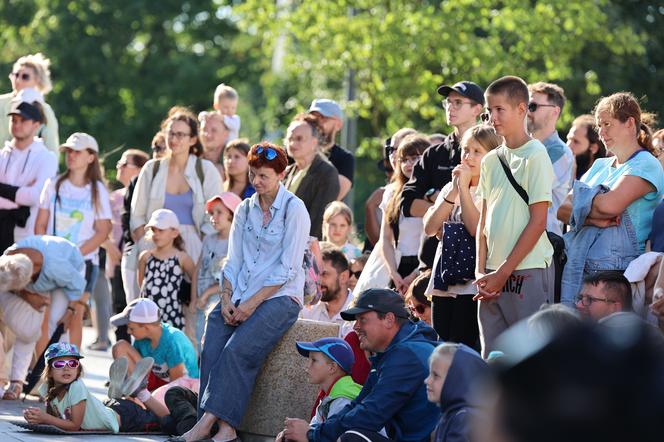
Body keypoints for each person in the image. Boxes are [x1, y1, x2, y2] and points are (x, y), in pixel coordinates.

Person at [180, 142, 309, 442]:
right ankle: (224, 429)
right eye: (253, 174)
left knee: (237, 350)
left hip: (280, 297)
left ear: (282, 174)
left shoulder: (295, 209)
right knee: (212, 343)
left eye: (264, 176)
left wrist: (251, 304)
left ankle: (204, 424)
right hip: (240, 293)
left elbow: (287, 269)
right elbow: (233, 260)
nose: (257, 181)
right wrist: (226, 299)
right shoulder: (245, 208)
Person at [475, 76, 555, 358]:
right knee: (492, 359)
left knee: (529, 360)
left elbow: (538, 221)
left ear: (521, 109)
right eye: (489, 110)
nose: (493, 117)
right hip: (491, 276)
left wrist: (503, 272)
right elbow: (483, 223)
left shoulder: (536, 155)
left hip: (527, 269)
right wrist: (480, 271)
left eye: (500, 110)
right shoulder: (490, 160)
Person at [558, 92, 664, 306]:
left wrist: (583, 208)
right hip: (580, 269)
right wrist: (593, 219)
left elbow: (610, 206)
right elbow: (561, 208)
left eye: (607, 124)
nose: (601, 132)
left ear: (629, 123)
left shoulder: (646, 164)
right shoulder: (600, 165)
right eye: (599, 125)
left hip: (615, 278)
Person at [292, 288, 439, 442]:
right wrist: (314, 431)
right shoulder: (392, 352)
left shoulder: (408, 354)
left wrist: (312, 435)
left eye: (362, 319)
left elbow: (370, 415)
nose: (356, 326)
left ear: (389, 319)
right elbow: (359, 404)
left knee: (352, 438)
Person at [131, 107, 223, 341]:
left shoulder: (205, 170)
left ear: (193, 139)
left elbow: (216, 213)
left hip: (193, 245)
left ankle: (187, 372)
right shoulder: (152, 169)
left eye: (181, 134)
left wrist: (203, 245)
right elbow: (137, 214)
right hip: (156, 244)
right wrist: (145, 244)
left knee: (189, 312)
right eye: (171, 133)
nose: (175, 139)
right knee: (149, 313)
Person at [423, 124, 502, 347]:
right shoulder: (452, 186)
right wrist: (454, 191)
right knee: (441, 346)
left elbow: (476, 229)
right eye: (466, 150)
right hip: (444, 282)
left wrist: (465, 191)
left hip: (471, 284)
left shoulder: (494, 189)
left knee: (465, 347)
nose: (469, 156)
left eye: (478, 151)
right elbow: (430, 228)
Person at [35, 132, 113, 349]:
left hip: (84, 263)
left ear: (91, 157)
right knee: (45, 316)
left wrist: (75, 253)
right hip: (52, 260)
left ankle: (71, 374)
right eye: (68, 151)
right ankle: (41, 374)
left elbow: (103, 230)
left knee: (75, 314)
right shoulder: (53, 184)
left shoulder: (97, 191)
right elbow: (40, 223)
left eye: (77, 151)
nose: (71, 156)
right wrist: (48, 253)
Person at [401, 81, 485, 269]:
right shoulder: (433, 154)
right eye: (448, 102)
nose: (450, 108)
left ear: (477, 109)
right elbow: (407, 203)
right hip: (433, 260)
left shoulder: (494, 150)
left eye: (458, 103)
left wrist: (437, 200)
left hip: (476, 262)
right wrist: (443, 206)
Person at [0, 235, 85, 400]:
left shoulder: (57, 267)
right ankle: (17, 382)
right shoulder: (8, 259)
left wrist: (69, 311)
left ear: (32, 275)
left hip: (70, 279)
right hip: (34, 278)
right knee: (26, 326)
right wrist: (27, 296)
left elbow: (77, 285)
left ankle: (63, 385)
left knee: (57, 324)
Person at [0, 89, 57, 252]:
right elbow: (27, 195)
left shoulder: (46, 158)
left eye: (23, 120)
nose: (17, 124)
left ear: (36, 124)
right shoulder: (2, 155)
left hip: (25, 236)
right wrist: (20, 193)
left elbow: (35, 196)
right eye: (14, 120)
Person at [104, 149, 149, 346]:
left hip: (138, 262)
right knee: (119, 311)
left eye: (124, 164)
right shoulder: (114, 197)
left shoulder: (147, 195)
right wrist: (109, 247)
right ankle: (122, 361)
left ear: (140, 169)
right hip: (115, 261)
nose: (118, 167)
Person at [278, 338, 362, 442]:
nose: (307, 366)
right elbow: (314, 429)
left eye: (314, 360)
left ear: (332, 367)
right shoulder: (329, 395)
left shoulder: (343, 400)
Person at [22, 343, 120, 432]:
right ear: (50, 371)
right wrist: (35, 417)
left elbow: (74, 426)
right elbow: (56, 421)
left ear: (78, 370)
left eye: (73, 363)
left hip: (124, 419)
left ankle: (128, 396)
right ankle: (118, 398)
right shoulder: (47, 388)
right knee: (107, 406)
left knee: (129, 406)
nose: (66, 368)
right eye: (59, 364)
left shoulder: (76, 386)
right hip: (105, 410)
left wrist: (45, 418)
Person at [111, 298, 199, 393]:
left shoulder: (172, 340)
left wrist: (153, 397)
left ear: (146, 327)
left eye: (131, 328)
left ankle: (141, 397)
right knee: (120, 346)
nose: (128, 332)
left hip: (183, 387)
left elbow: (177, 383)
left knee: (169, 395)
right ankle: (134, 391)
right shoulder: (141, 339)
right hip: (158, 382)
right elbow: (142, 370)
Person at [380, 134, 430, 293]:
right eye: (404, 159)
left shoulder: (434, 193)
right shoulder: (391, 193)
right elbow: (385, 239)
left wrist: (416, 273)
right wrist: (393, 273)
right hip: (398, 265)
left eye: (415, 157)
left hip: (425, 266)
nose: (409, 164)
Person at [121, 132, 167, 304]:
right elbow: (129, 216)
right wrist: (141, 241)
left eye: (162, 147)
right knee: (136, 305)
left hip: (171, 249)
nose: (157, 151)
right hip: (141, 247)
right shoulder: (139, 179)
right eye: (154, 147)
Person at [193, 192, 242, 351]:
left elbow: (232, 278)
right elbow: (198, 269)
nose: (214, 217)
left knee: (213, 345)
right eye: (212, 213)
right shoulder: (208, 239)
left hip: (218, 303)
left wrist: (206, 294)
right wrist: (194, 298)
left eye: (219, 212)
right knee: (200, 345)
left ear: (232, 214)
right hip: (201, 302)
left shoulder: (236, 243)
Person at [527, 82, 575, 235]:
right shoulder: (523, 147)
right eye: (526, 105)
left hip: (543, 244)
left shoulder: (560, 152)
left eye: (533, 106)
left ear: (554, 112)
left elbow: (526, 187)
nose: (526, 112)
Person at [138, 209, 196, 331]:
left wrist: (192, 300)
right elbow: (141, 285)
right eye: (153, 230)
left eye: (161, 230)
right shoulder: (145, 257)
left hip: (173, 316)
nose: (156, 234)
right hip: (148, 317)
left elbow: (196, 279)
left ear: (174, 233)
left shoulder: (182, 258)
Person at [283, 115, 340, 239]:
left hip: (305, 249)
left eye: (299, 139)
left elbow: (318, 221)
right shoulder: (286, 172)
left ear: (314, 142)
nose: (292, 143)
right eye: (290, 138)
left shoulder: (326, 173)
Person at [425, 343, 488, 442]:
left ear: (457, 379)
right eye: (430, 374)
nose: (427, 380)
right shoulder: (453, 414)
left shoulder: (464, 420)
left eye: (435, 375)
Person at [364, 129, 416, 250]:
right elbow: (382, 240)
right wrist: (370, 207)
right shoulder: (389, 192)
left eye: (397, 149)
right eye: (390, 150)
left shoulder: (429, 190)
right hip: (390, 259)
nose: (392, 154)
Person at [0, 53, 59, 152]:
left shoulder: (45, 110)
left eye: (25, 76)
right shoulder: (1, 102)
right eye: (16, 75)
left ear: (38, 80)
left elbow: (51, 149)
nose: (18, 80)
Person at [308, 99, 354, 200]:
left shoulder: (345, 159)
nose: (317, 123)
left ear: (338, 125)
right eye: (313, 119)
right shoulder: (294, 152)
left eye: (323, 118)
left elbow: (330, 198)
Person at [301, 248, 354, 336]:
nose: (318, 280)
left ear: (343, 277)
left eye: (324, 274)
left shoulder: (358, 315)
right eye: (316, 274)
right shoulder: (307, 311)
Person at [566, 114, 606, 179]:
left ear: (593, 148)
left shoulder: (603, 178)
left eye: (576, 142)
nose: (568, 146)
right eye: (568, 139)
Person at [199, 111, 229, 181]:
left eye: (214, 130)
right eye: (204, 129)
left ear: (225, 134)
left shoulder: (235, 160)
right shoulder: (191, 157)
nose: (207, 134)